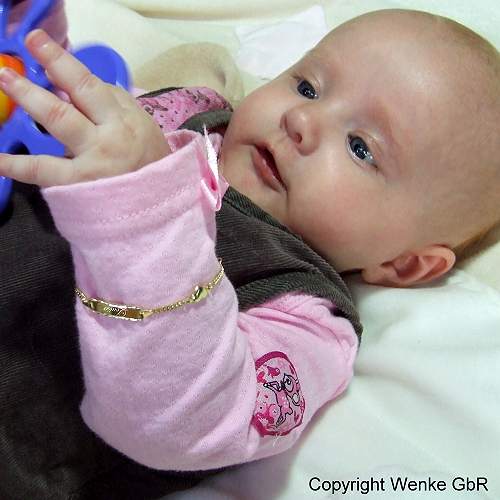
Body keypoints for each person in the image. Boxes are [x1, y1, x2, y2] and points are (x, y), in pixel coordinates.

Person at [0, 1, 499, 498]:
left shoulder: (306, 321)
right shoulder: (191, 114)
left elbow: (187, 423)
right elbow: (76, 117)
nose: (302, 118)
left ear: (404, 263)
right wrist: (35, 49)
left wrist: (145, 211)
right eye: (308, 87)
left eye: (361, 147)